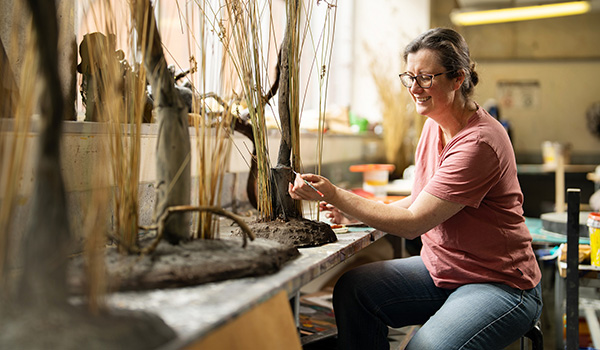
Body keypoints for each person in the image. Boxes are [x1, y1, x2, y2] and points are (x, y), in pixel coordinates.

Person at [288, 27, 542, 350]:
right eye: (409, 77)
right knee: (354, 290)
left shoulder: (479, 143)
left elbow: (414, 223)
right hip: (446, 271)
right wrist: (352, 214)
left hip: (499, 283)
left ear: (458, 79)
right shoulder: (432, 126)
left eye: (425, 78)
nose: (413, 88)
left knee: (425, 347)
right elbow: (422, 200)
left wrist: (338, 195)